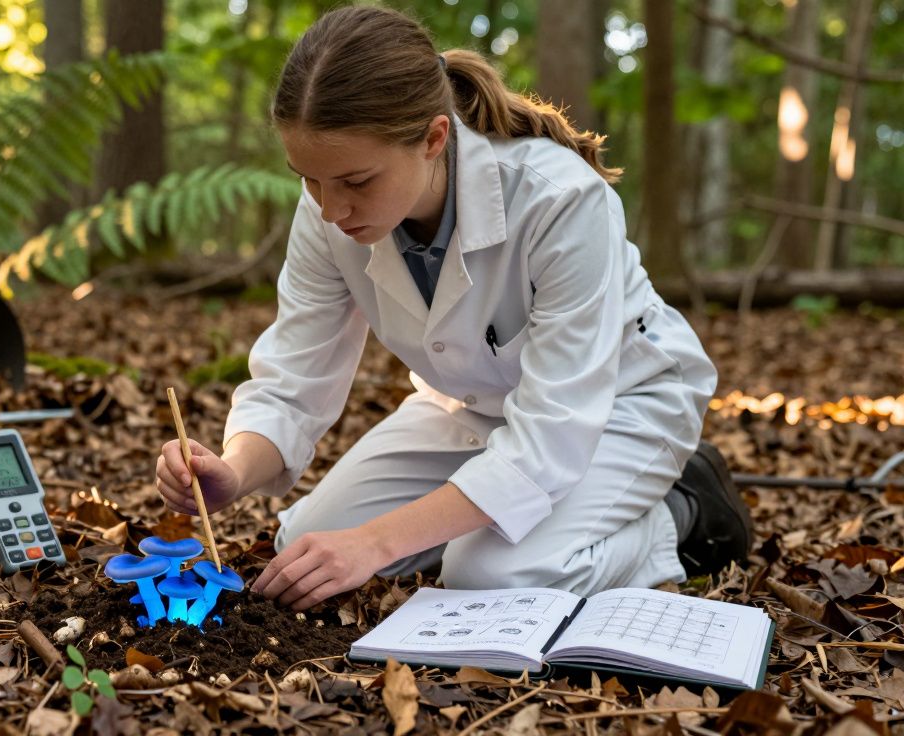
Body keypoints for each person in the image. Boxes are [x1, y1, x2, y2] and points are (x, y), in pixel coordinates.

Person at [154, 5, 752, 612]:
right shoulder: (329, 207)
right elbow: (295, 379)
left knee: (492, 576)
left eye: (357, 182)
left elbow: (554, 433)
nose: (330, 209)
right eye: (309, 180)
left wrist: (376, 542)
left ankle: (682, 515)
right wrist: (234, 471)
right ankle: (484, 520)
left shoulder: (561, 200)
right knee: (306, 540)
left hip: (620, 406)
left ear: (434, 138)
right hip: (473, 408)